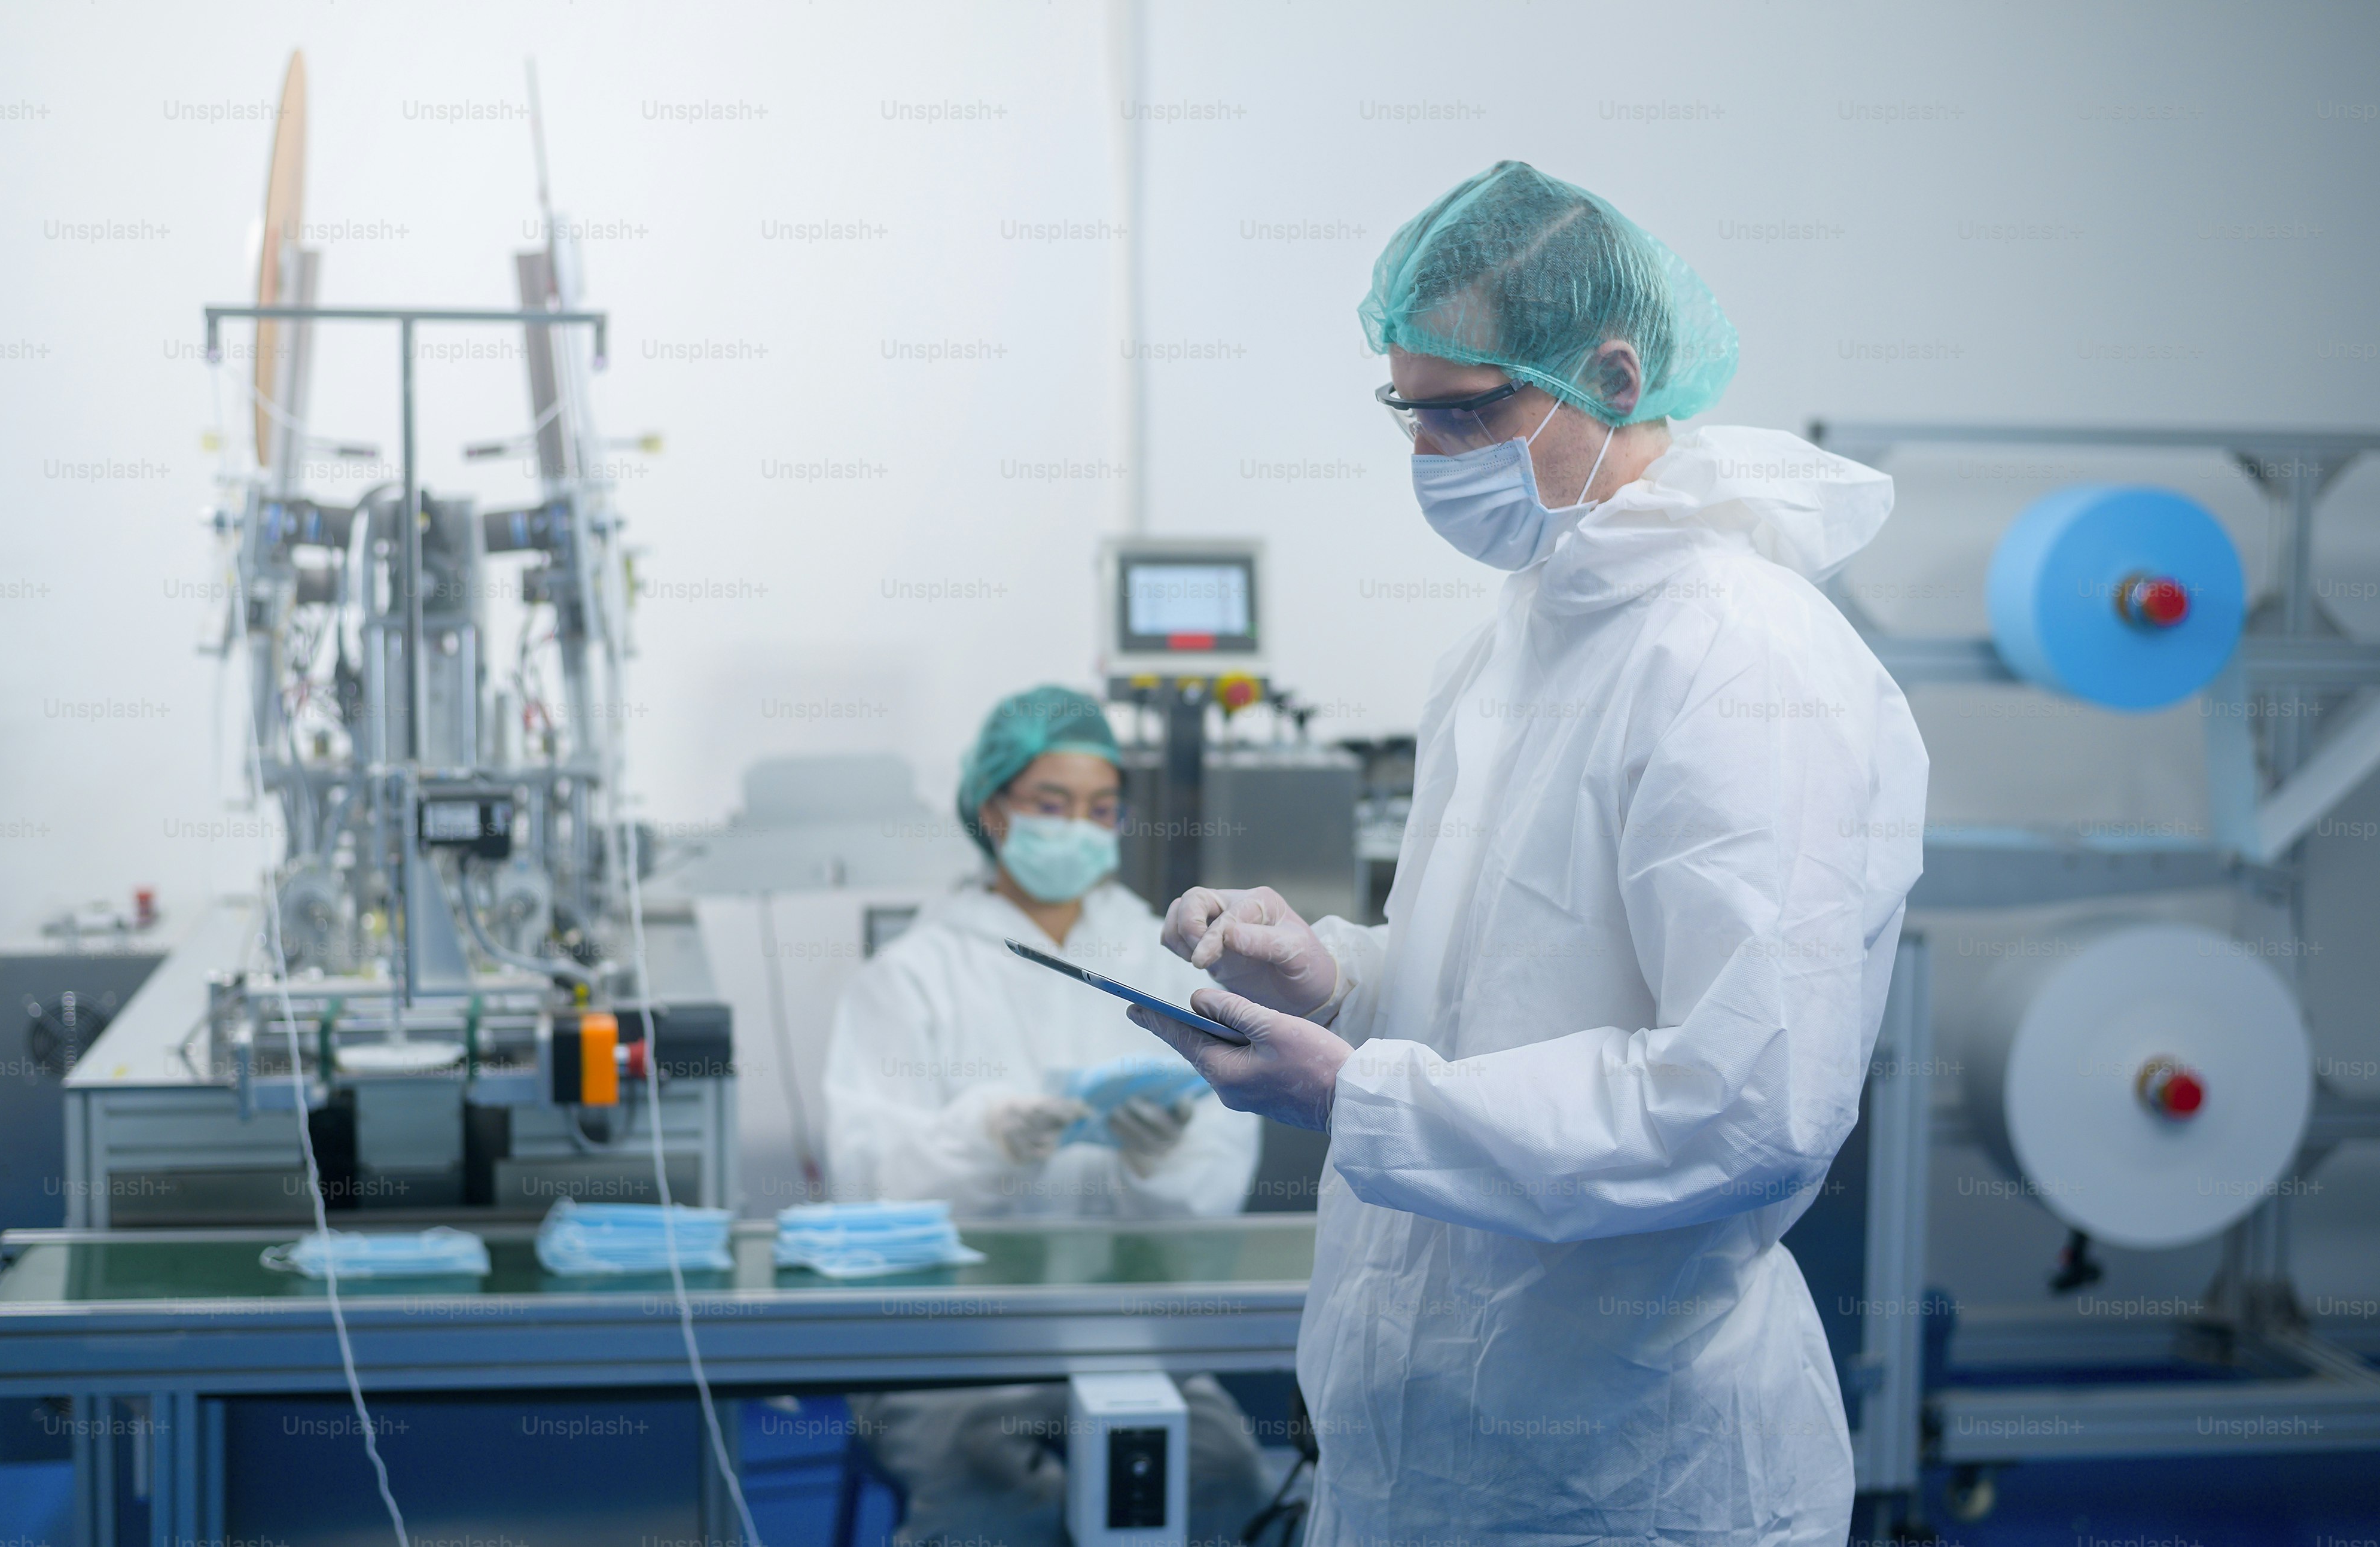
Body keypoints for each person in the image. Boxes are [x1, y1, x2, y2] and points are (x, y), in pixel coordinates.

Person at [1126, 162, 1929, 1545]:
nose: (1435, 456)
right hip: (1434, 1447)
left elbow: (1745, 1093)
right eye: (1411, 416)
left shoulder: (1742, 657)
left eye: (1470, 412)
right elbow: (1500, 990)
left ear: (1610, 374)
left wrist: (1364, 1100)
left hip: (1628, 1469)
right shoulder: (1508, 643)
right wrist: (1338, 984)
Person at [823, 684, 1272, 1546]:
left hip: (1134, 1333)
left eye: (1100, 808)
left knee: (1219, 1478)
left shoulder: (1157, 959)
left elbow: (1220, 1168)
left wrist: (1164, 1159)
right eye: (1050, 804)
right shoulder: (912, 975)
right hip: (950, 1351)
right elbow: (867, 1185)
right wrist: (981, 1141)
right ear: (993, 810)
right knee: (996, 1497)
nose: (1078, 826)